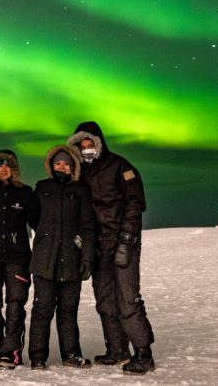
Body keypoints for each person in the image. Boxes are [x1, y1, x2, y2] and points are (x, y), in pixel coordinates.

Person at [68, 120, 156, 374]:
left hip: (121, 242)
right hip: (98, 246)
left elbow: (135, 203)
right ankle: (117, 349)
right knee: (105, 300)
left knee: (127, 299)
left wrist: (127, 238)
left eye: (89, 144)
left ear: (98, 143)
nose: (86, 149)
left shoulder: (120, 166)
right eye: (81, 146)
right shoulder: (80, 172)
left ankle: (143, 353)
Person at [27, 143, 96, 370]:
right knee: (42, 309)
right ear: (51, 165)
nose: (62, 166)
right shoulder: (42, 187)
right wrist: (46, 237)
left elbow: (87, 226)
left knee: (68, 310)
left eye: (66, 163)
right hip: (44, 259)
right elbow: (32, 218)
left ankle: (71, 354)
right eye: (58, 163)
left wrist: (87, 257)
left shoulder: (81, 190)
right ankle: (38, 357)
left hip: (71, 260)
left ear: (73, 166)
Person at [0, 149, 37, 369]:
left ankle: (11, 351)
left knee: (15, 306)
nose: (4, 168)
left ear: (14, 169)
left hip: (18, 259)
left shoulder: (25, 193)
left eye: (8, 165)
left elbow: (38, 223)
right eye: (0, 164)